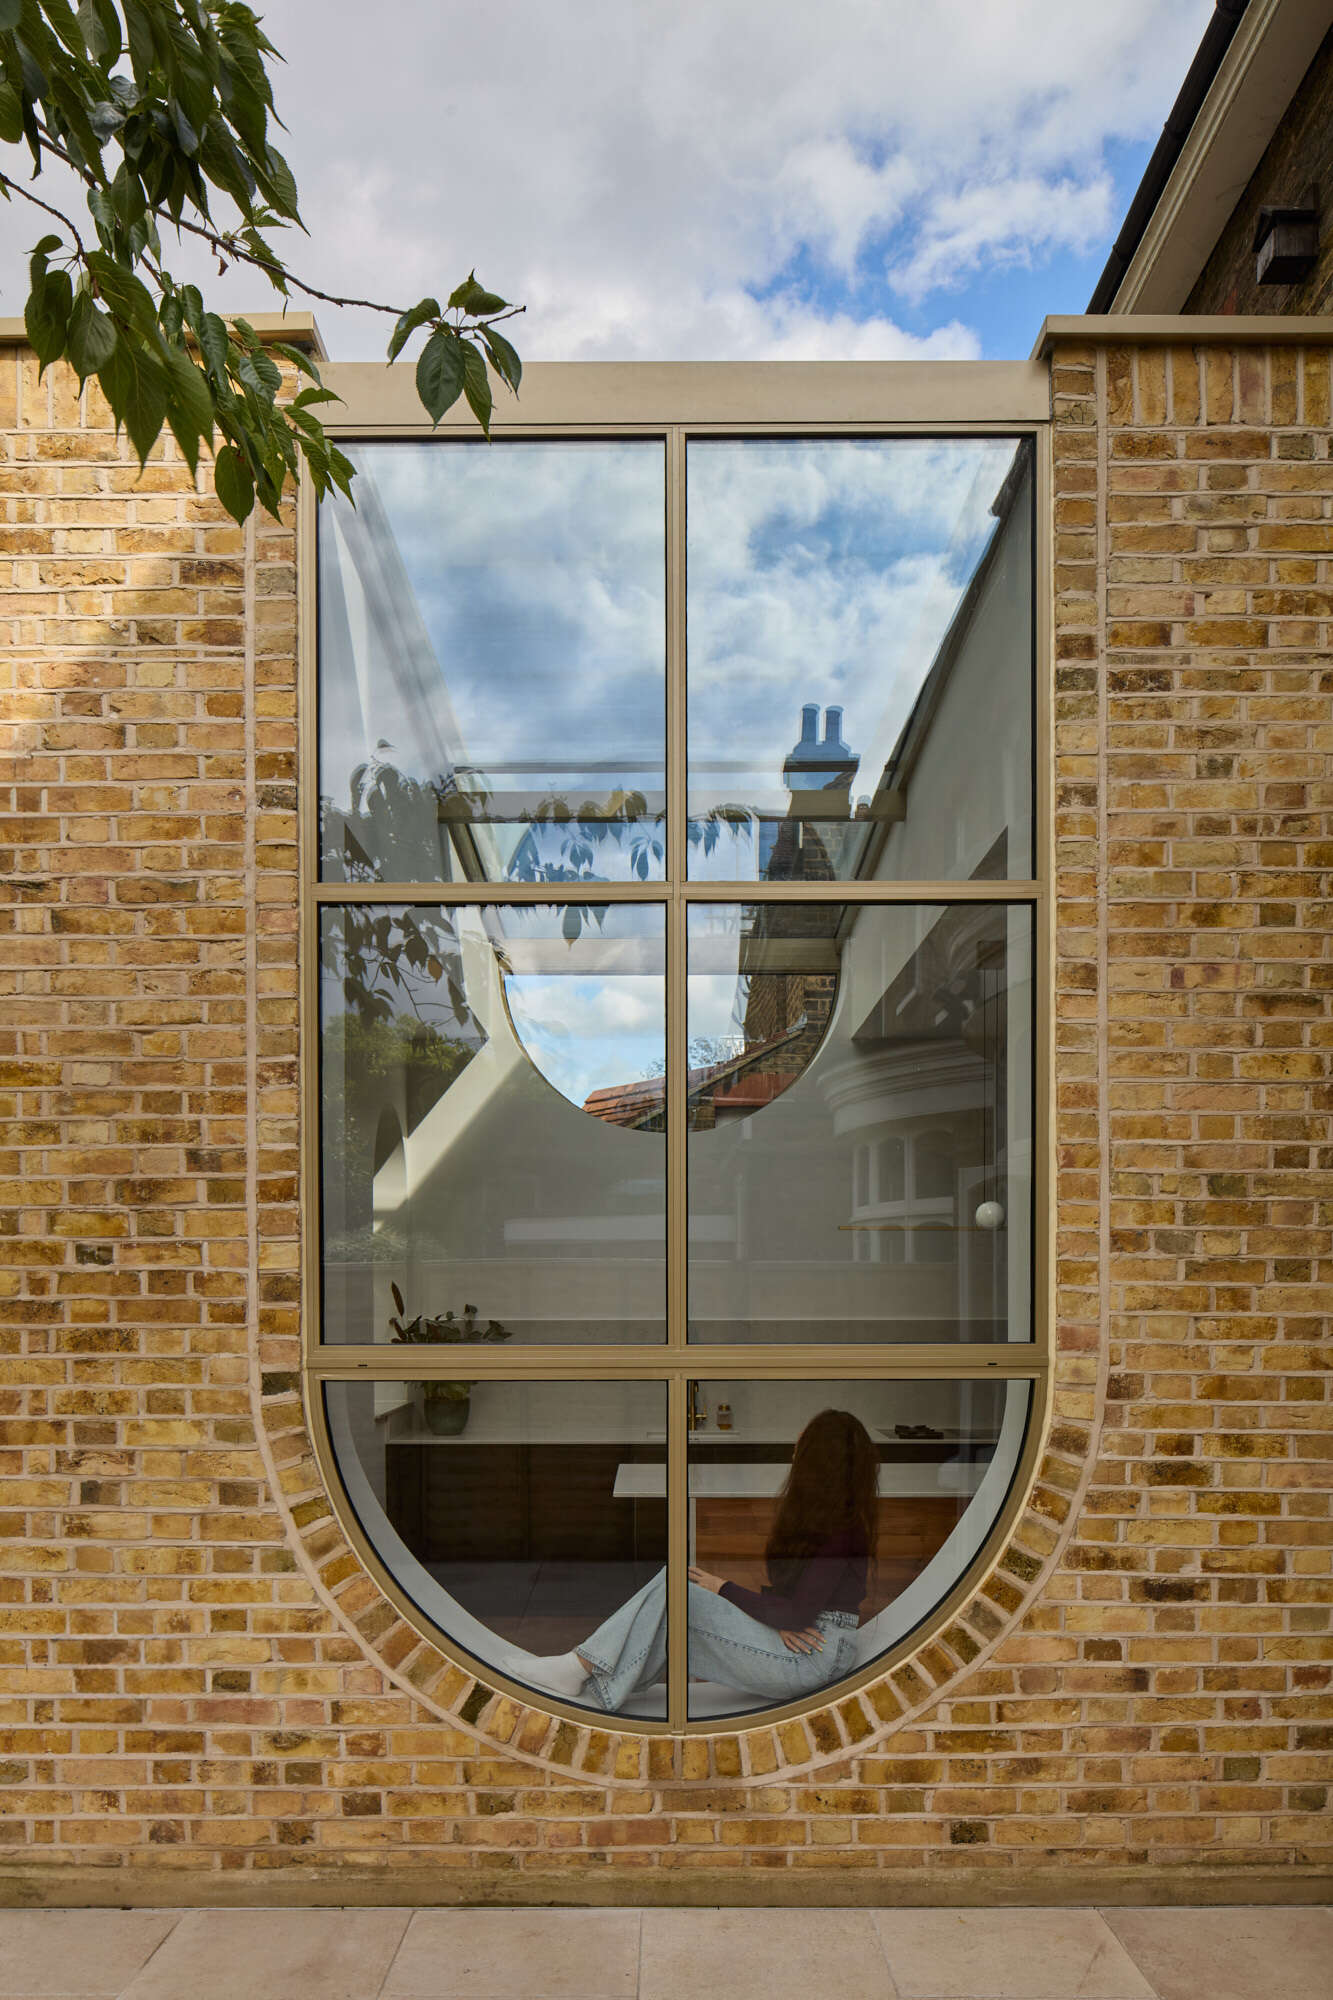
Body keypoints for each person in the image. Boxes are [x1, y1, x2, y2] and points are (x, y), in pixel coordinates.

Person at [529, 1408, 877, 1712]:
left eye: (802, 1443)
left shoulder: (841, 1531)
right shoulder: (826, 1521)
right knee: (672, 1605)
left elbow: (799, 1613)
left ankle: (579, 1668)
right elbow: (798, 1606)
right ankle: (592, 1680)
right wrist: (783, 1615)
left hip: (813, 1657)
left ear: (817, 1461)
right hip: (809, 1643)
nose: (794, 1447)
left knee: (680, 1594)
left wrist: (723, 1587)